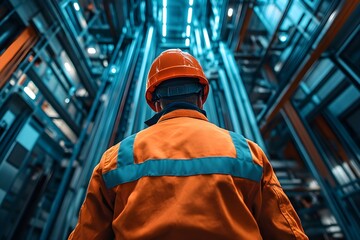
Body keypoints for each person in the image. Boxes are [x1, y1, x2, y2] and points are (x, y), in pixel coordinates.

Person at [69, 49, 308, 239]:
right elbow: (287, 232)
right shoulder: (247, 152)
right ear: (202, 97)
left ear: (155, 103)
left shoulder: (116, 158)